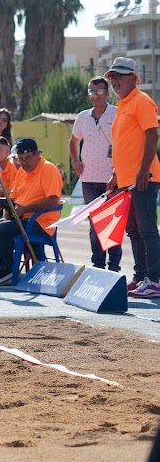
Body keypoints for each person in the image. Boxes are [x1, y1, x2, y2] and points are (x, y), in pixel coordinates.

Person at [104, 57, 160, 298]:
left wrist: (142, 170)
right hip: (127, 180)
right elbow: (123, 145)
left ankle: (154, 280)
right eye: (112, 76)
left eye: (120, 75)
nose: (115, 80)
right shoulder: (123, 106)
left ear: (133, 78)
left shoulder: (142, 101)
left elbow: (152, 136)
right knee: (135, 231)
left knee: (147, 230)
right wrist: (116, 176)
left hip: (143, 177)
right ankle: (141, 277)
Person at [0, 138, 62, 286]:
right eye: (21, 159)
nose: (25, 162)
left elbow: (53, 200)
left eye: (28, 158)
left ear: (37, 154)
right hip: (20, 217)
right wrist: (5, 215)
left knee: (4, 228)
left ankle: (7, 270)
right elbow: (12, 198)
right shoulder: (22, 171)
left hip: (41, 222)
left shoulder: (48, 169)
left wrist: (25, 209)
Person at [69, 75, 120, 272]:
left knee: (112, 224)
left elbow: (124, 144)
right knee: (95, 225)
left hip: (113, 178)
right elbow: (73, 141)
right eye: (92, 91)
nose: (95, 95)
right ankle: (97, 266)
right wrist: (75, 160)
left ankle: (113, 268)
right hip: (88, 179)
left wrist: (117, 172)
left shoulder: (117, 114)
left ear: (107, 94)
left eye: (99, 91)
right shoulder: (82, 117)